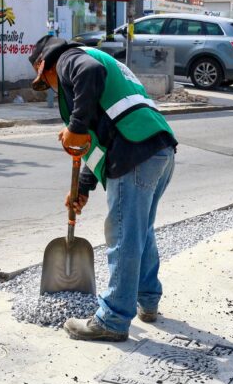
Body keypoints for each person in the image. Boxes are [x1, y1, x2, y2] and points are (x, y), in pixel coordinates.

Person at [29, 35, 178, 342]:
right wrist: (83, 187)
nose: (52, 89)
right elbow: (101, 139)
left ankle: (112, 318)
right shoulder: (102, 63)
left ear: (46, 65)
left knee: (123, 236)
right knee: (141, 230)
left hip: (134, 151)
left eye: (47, 82)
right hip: (158, 148)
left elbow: (88, 74)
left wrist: (76, 125)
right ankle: (147, 300)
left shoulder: (70, 58)